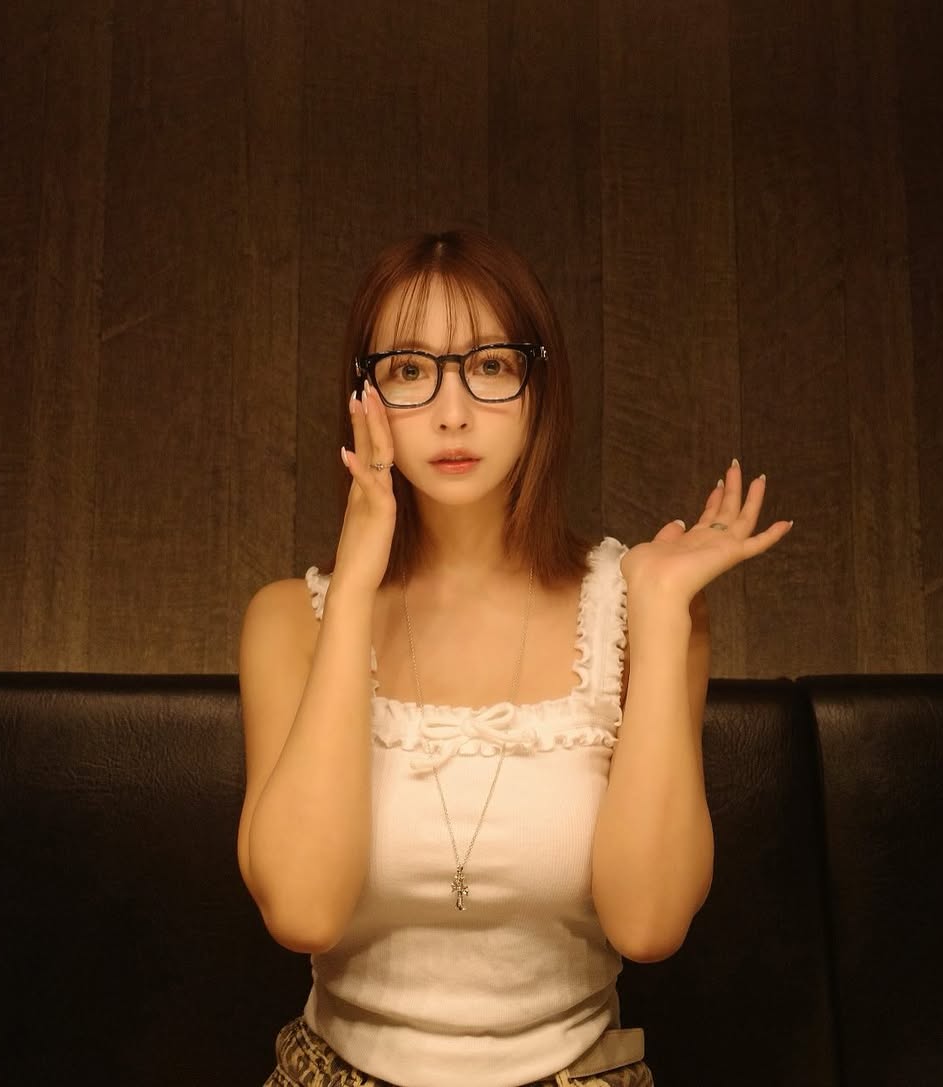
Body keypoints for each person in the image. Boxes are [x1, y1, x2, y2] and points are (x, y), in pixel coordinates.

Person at [237, 227, 792, 1087]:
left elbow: (649, 926)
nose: (453, 413)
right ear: (363, 397)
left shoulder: (638, 610)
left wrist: (657, 611)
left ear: (541, 388)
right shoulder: (289, 620)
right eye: (410, 369)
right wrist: (353, 588)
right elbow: (304, 911)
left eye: (490, 365)